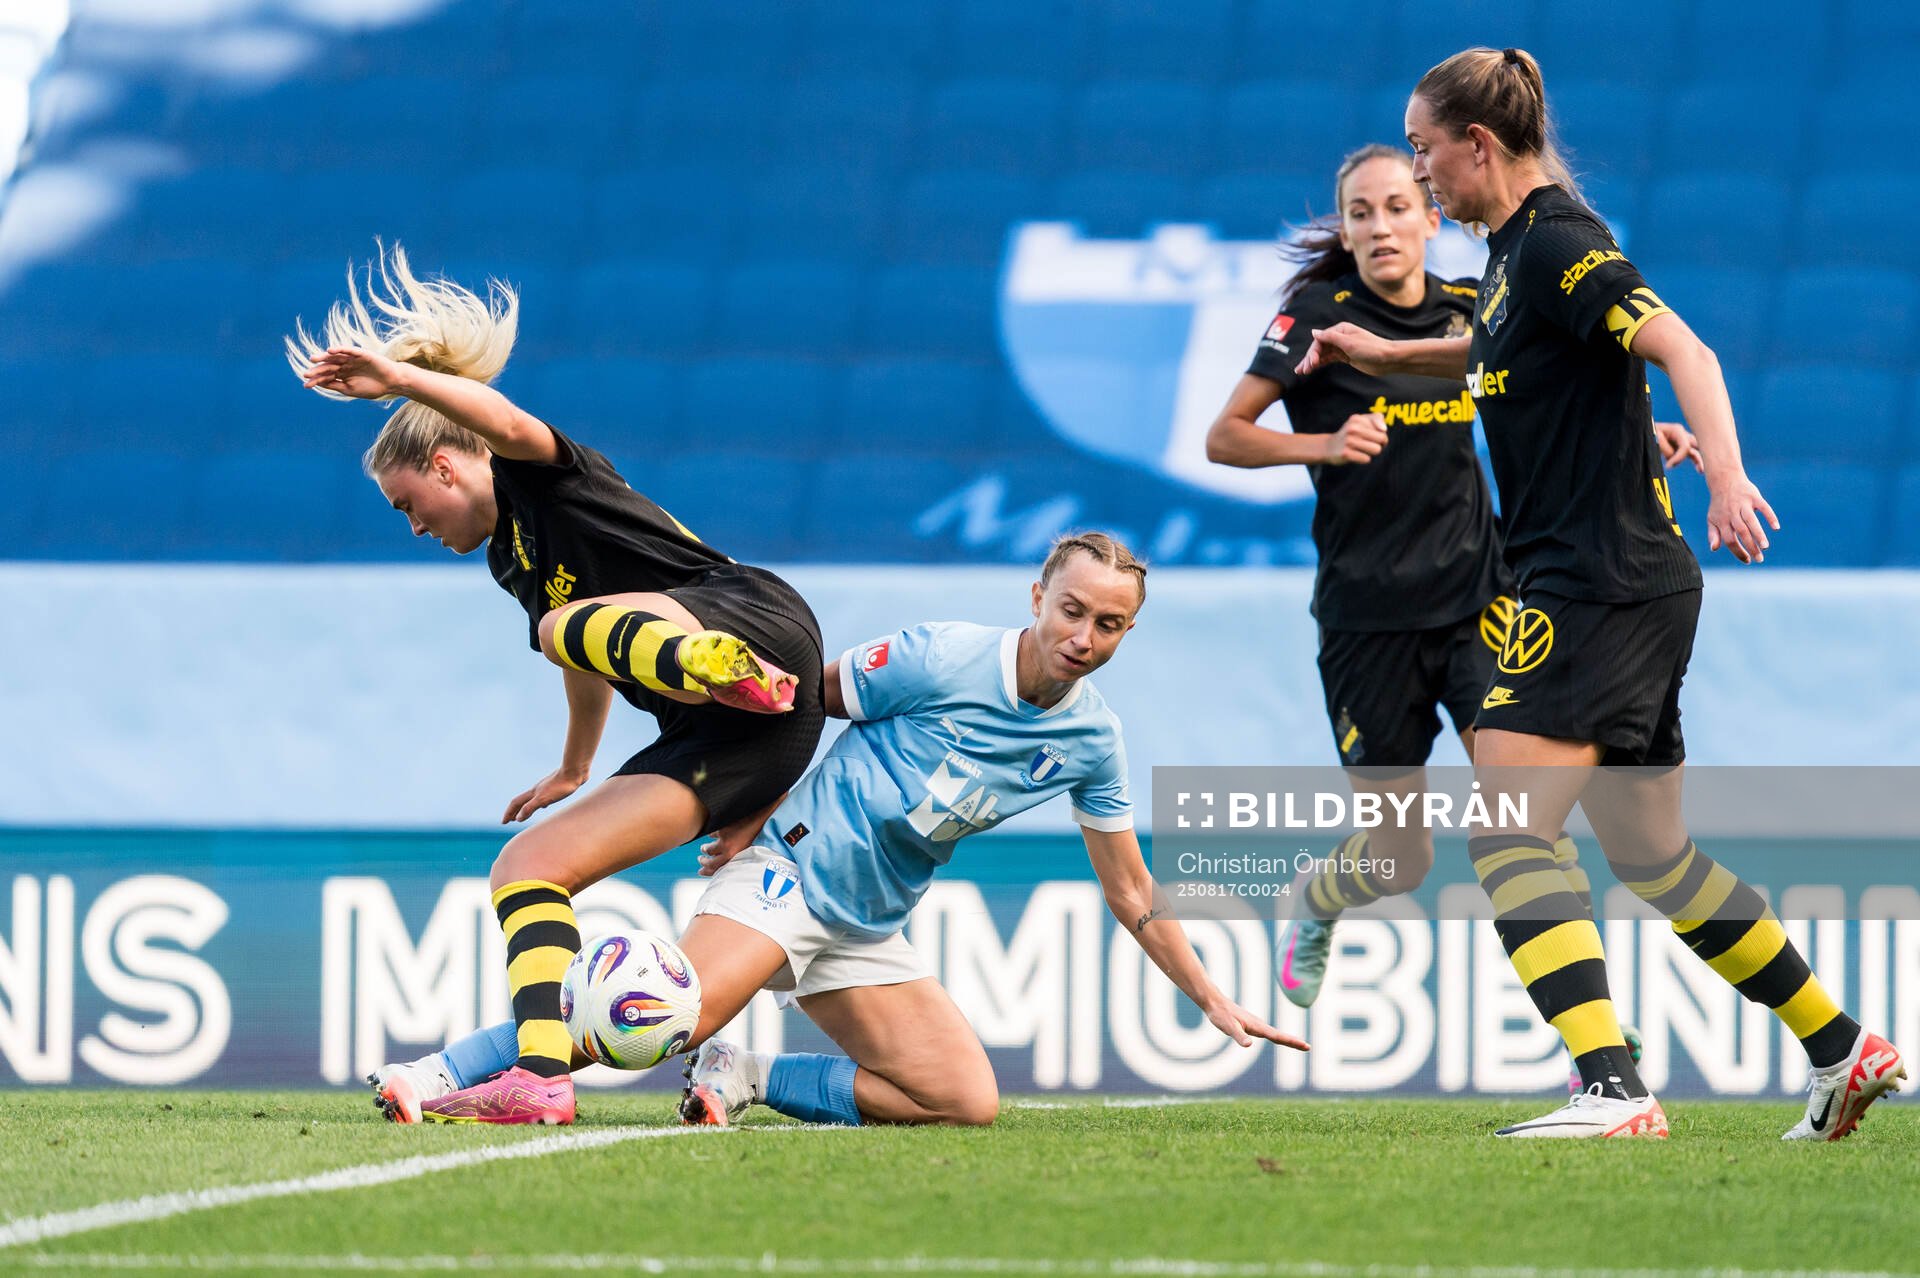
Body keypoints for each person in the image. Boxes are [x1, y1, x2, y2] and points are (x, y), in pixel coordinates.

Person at [1295, 47, 1903, 1139]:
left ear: (1478, 145)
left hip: (1592, 587)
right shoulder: (1509, 262)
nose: (1423, 178)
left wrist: (1724, 472)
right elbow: (1500, 357)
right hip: (1636, 587)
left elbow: (1686, 349)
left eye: (1427, 152)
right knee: (1652, 855)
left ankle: (1612, 1089)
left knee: (1509, 835)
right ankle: (1843, 1046)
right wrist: (1383, 359)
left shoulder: (1560, 245)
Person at [373, 534, 1308, 1126]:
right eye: (1072, 610)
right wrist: (748, 810)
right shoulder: (940, 657)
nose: (1084, 636)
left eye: (1109, 625)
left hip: (868, 922)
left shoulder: (1092, 741)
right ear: (1037, 597)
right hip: (789, 875)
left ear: (1125, 633)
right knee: (657, 1021)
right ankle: (434, 1073)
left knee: (962, 1101)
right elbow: (791, 703)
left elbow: (1132, 892)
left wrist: (1210, 996)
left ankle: (744, 1077)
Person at [289, 244, 826, 1125]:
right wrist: (574, 767)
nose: (413, 526)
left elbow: (501, 421)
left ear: (447, 467)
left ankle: (712, 666)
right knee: (527, 867)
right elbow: (581, 657)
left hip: (753, 628)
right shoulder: (515, 564)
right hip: (739, 739)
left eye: (407, 504)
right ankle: (540, 1079)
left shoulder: (547, 479)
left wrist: (398, 378)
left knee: (558, 628)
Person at [1206, 145, 1692, 1021]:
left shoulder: (1475, 308)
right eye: (1361, 212)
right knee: (1403, 859)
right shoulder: (1317, 315)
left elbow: (1553, 386)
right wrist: (1322, 444)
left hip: (1484, 599)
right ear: (1346, 230)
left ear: (1432, 217)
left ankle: (1602, 1041)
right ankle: (1317, 897)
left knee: (1523, 815)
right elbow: (1225, 436)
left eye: (1398, 205)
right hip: (1367, 618)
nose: (1381, 226)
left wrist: (1641, 430)